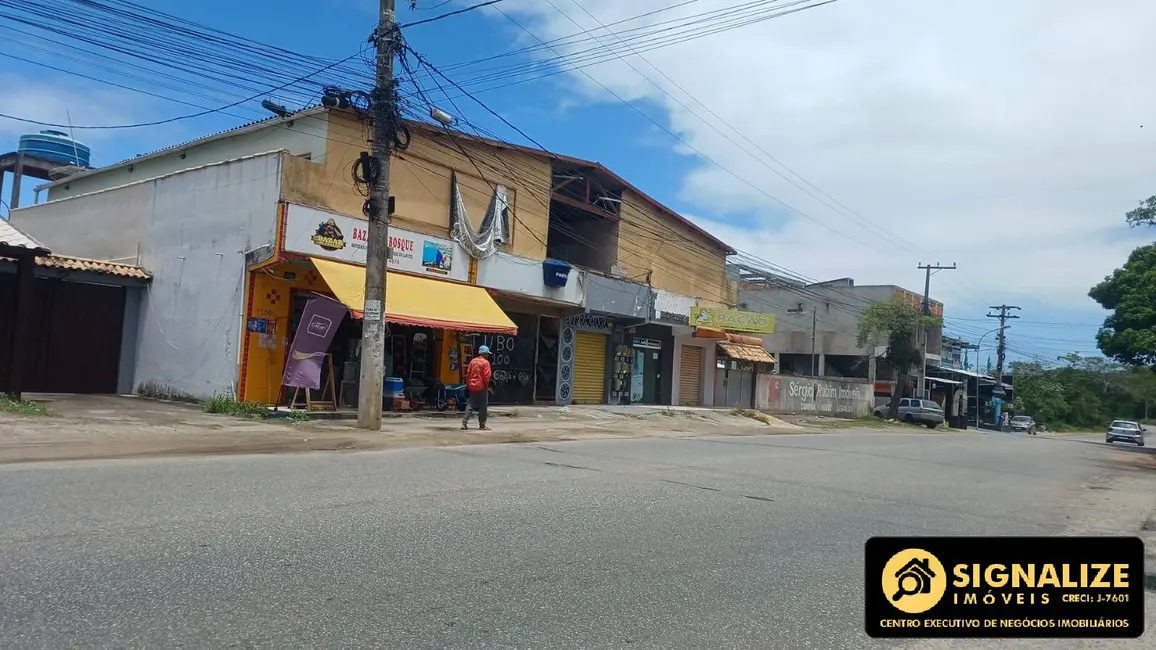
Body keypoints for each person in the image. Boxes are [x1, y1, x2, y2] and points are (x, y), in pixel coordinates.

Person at [462, 345, 492, 431]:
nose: (488, 356)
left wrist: (468, 384)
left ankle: (464, 423)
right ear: (485, 354)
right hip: (481, 387)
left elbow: (468, 374)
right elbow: (486, 377)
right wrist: (487, 387)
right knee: (483, 406)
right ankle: (482, 425)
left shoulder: (473, 361)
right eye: (487, 354)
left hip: (472, 386)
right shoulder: (486, 363)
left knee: (470, 405)